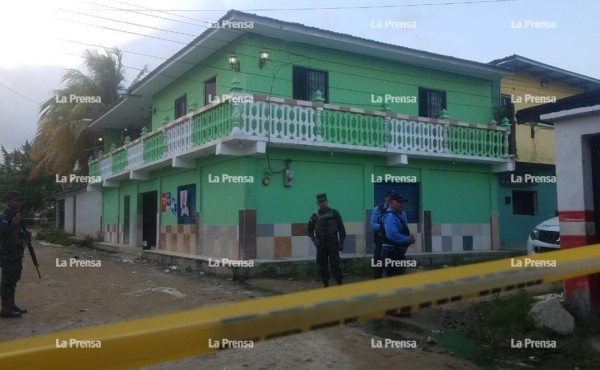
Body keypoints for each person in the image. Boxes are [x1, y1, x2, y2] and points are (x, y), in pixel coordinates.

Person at [0, 191, 29, 318]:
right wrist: (14, 223)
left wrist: (25, 238)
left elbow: (19, 233)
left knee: (14, 280)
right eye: (16, 200)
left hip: (16, 254)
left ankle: (11, 305)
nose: (19, 203)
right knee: (7, 281)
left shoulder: (16, 215)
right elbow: (2, 232)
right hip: (8, 255)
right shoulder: (6, 217)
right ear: (9, 201)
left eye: (20, 200)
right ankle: (5, 308)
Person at [307, 193, 346, 287]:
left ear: (327, 202)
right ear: (317, 203)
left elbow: (341, 228)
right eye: (320, 202)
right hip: (321, 244)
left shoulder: (334, 213)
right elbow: (309, 230)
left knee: (335, 265)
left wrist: (341, 242)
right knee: (322, 266)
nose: (322, 203)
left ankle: (339, 285)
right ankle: (326, 286)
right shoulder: (314, 215)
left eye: (324, 201)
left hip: (333, 243)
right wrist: (314, 239)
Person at [380, 192, 415, 277]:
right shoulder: (390, 216)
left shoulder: (397, 214)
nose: (401, 204)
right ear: (391, 203)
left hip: (396, 253)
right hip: (391, 253)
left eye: (402, 202)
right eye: (399, 202)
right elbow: (392, 235)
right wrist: (407, 239)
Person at [370, 189, 396, 279]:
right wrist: (385, 226)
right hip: (380, 243)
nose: (391, 200)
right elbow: (373, 225)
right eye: (390, 198)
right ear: (386, 198)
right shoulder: (378, 209)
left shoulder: (398, 211)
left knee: (392, 271)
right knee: (377, 270)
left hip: (393, 244)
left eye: (393, 198)